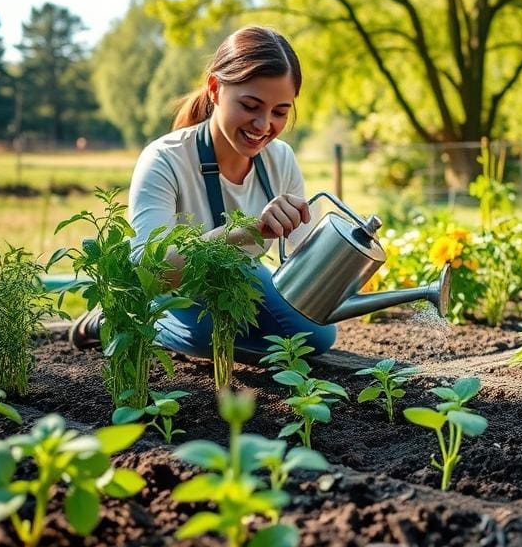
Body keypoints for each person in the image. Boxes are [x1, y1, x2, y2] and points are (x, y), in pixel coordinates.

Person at [69, 25, 337, 359]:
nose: (263, 125)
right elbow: (150, 272)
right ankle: (117, 320)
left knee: (319, 334)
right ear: (215, 88)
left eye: (280, 112)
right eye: (251, 106)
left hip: (238, 288)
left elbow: (304, 257)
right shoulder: (166, 159)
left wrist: (342, 260)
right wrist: (246, 231)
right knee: (213, 325)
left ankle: (216, 341)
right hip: (173, 288)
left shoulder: (280, 159)